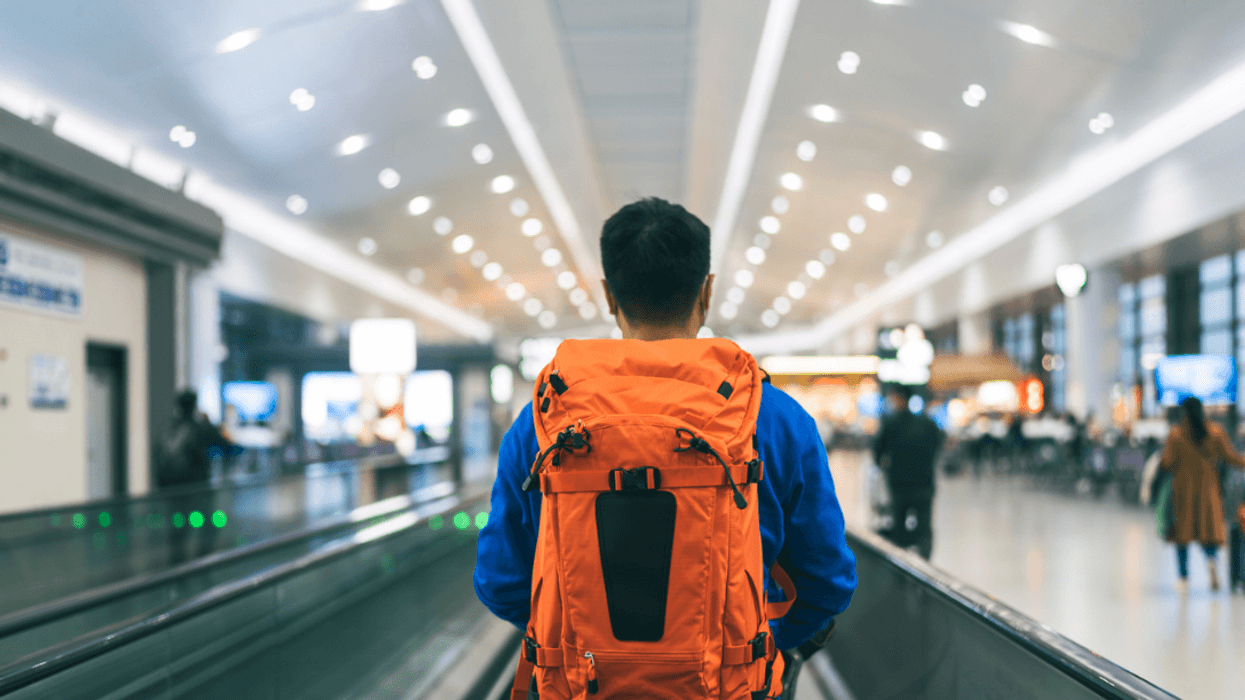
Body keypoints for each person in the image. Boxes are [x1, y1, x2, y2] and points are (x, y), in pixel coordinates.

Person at [474, 198, 856, 698]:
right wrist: (760, 646)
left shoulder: (543, 421)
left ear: (610, 296)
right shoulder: (775, 417)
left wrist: (582, 646)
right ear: (708, 291)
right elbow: (827, 580)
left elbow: (501, 580)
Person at [1159, 396, 1245, 592]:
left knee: (1182, 536)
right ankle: (1211, 562)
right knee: (1208, 533)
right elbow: (1231, 457)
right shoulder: (1215, 432)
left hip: (1183, 491)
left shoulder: (1176, 434)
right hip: (1208, 491)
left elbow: (1166, 462)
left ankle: (1183, 578)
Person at [155, 389, 233, 564]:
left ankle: (177, 564)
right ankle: (201, 563)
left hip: (173, 490)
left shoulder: (168, 429)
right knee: (208, 525)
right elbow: (228, 446)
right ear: (194, 405)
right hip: (198, 489)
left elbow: (158, 459)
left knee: (178, 528)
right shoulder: (200, 428)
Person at [872, 386, 944, 559]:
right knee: (924, 526)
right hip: (924, 483)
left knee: (899, 525)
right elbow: (938, 446)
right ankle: (925, 562)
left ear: (900, 398)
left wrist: (885, 467)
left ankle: (901, 564)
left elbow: (877, 453)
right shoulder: (928, 424)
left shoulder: (891, 425)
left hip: (899, 484)